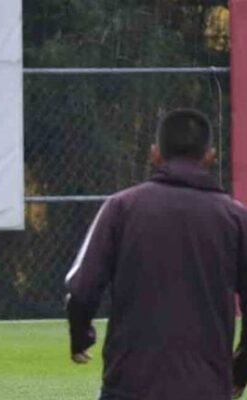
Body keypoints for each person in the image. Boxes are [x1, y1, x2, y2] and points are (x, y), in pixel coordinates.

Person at [65, 108, 247, 399]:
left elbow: (82, 288)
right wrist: (239, 370)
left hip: (129, 385)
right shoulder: (236, 218)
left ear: (155, 154)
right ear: (210, 157)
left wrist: (80, 336)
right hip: (206, 388)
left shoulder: (120, 208)